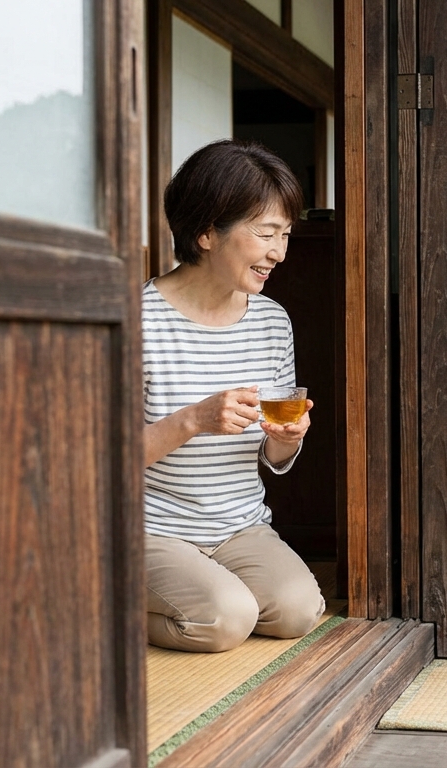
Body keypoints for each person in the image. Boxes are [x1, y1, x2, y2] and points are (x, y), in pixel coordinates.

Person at [142, 140, 326, 652]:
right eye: (266, 233)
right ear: (206, 233)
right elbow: (100, 463)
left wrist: (287, 440)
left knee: (297, 610)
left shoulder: (271, 321)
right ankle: (102, 604)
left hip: (238, 526)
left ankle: (208, 587)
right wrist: (193, 420)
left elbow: (273, 456)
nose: (279, 252)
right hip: (151, 529)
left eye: (285, 235)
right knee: (225, 619)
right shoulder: (138, 320)